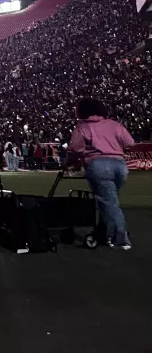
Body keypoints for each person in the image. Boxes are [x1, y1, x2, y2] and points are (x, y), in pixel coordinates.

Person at [67, 98, 134, 249]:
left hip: (98, 165)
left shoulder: (82, 127)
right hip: (119, 165)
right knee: (110, 201)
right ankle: (105, 233)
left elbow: (75, 148)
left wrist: (74, 160)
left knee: (109, 203)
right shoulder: (114, 124)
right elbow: (129, 142)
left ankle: (121, 239)